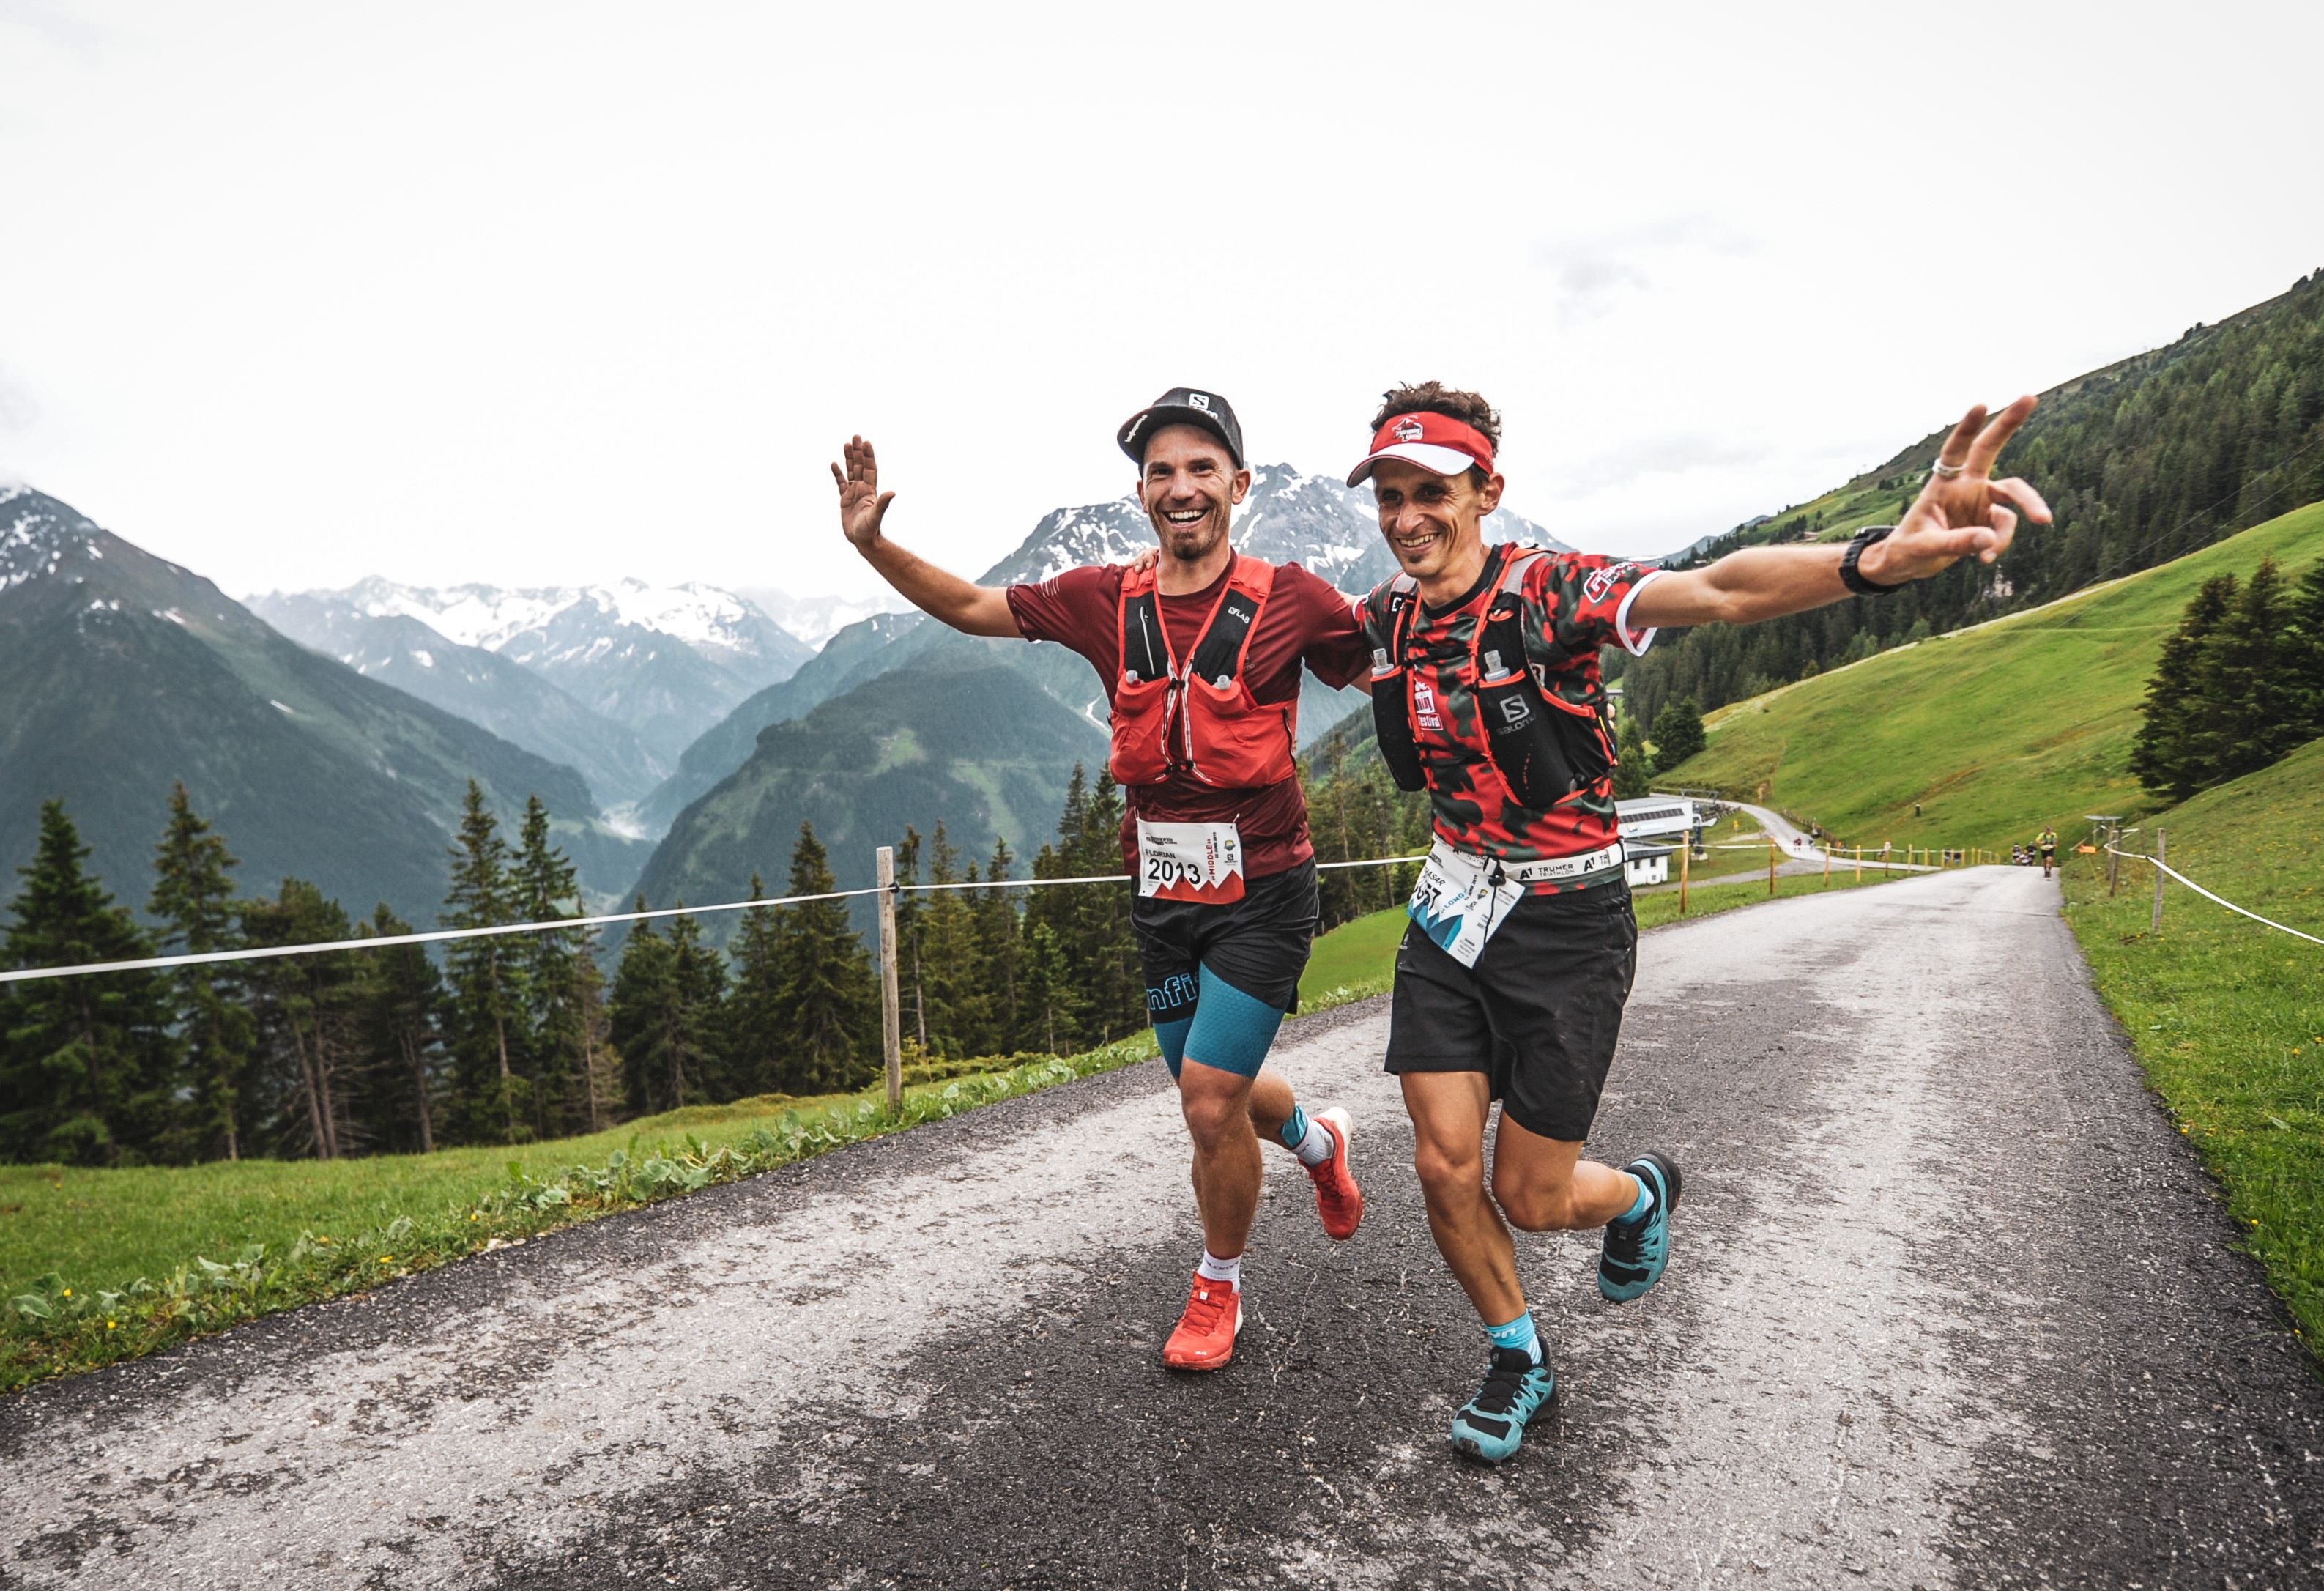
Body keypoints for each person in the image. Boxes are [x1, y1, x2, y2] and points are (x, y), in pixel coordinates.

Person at [1351, 381, 2049, 1463]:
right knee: (1444, 1167)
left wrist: (1875, 558)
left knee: (1531, 1196)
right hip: (1450, 913)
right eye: (1389, 495)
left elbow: (1720, 589)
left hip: (1567, 922)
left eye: (1429, 491)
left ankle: (1636, 1193)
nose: (1406, 517)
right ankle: (1519, 1355)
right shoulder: (1393, 613)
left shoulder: (1555, 590)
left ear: (1487, 489)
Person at [834, 390, 1374, 1371]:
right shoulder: (1102, 598)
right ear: (1141, 491)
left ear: (1239, 486)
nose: (1181, 487)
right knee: (1222, 1084)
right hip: (1164, 897)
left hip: (1265, 890)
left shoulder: (1293, 598)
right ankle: (1319, 1143)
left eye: (1202, 468)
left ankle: (1220, 1284)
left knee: (1208, 1102)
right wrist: (873, 544)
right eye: (1162, 471)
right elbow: (969, 607)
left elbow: (1388, 666)